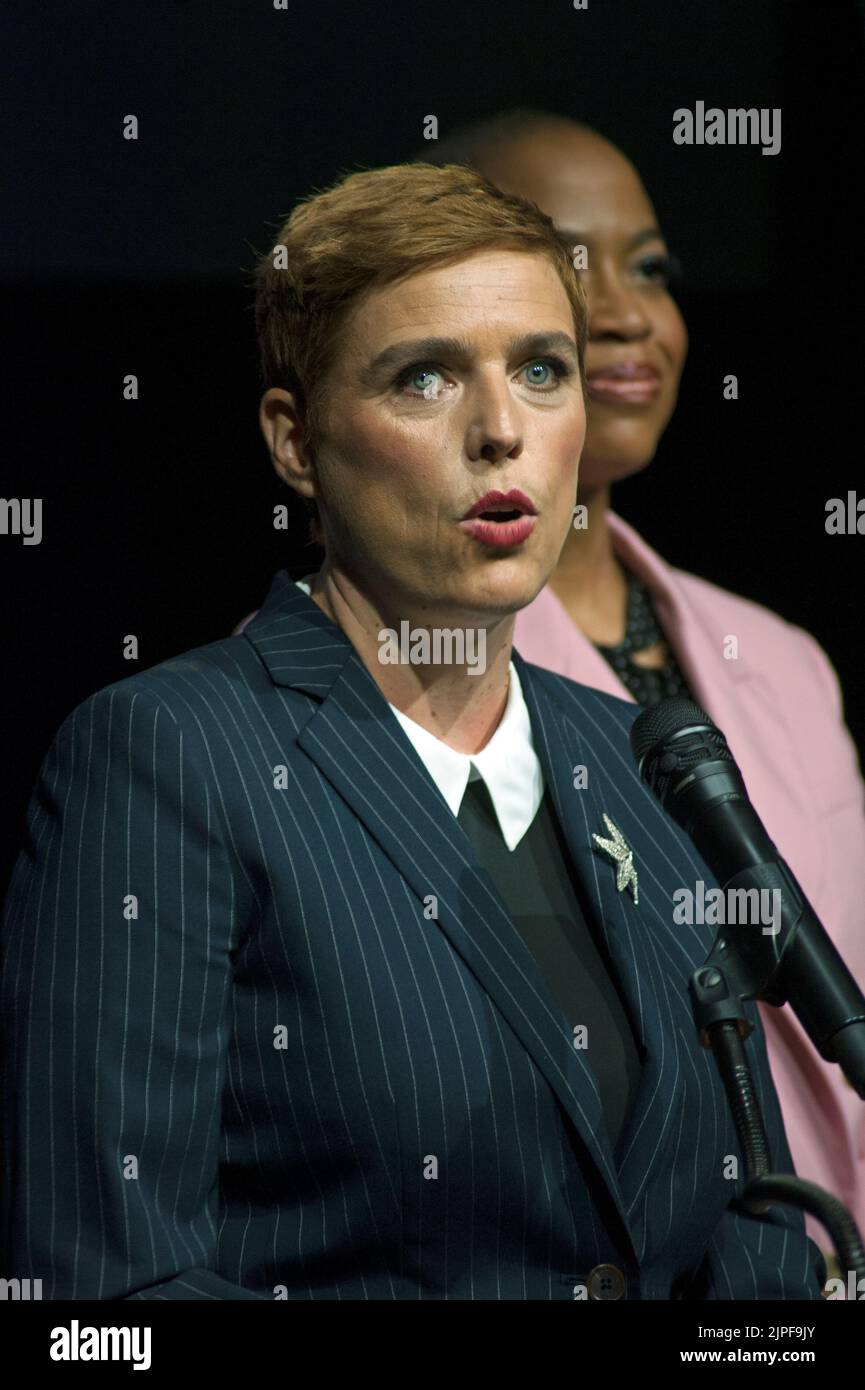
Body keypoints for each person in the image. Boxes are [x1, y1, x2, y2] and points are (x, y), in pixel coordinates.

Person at [1, 161, 826, 1300]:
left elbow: (755, 1225)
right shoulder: (171, 756)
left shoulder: (640, 754)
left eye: (543, 369)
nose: (501, 431)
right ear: (295, 442)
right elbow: (104, 1300)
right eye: (426, 378)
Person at [409, 110, 865, 1260]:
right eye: (564, 264)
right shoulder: (377, 681)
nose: (622, 311)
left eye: (650, 266)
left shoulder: (783, 660)